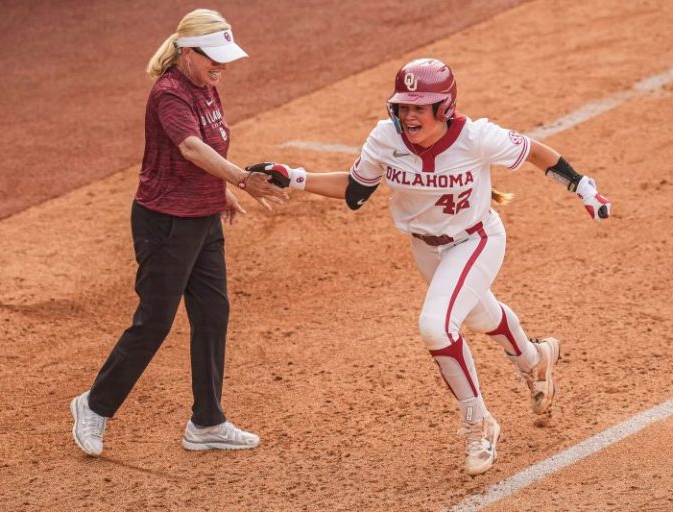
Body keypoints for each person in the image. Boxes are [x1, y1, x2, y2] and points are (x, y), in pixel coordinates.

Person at [246, 58, 611, 476]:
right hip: (426, 248)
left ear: (444, 108)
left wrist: (583, 187)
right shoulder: (385, 139)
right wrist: (294, 176)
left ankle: (479, 422)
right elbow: (354, 191)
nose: (408, 115)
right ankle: (535, 359)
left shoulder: (476, 137)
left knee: (436, 326)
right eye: (403, 106)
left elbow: (536, 153)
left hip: (476, 240)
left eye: (420, 107)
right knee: (478, 313)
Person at [70, 8, 288, 457]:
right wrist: (240, 180)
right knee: (154, 321)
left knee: (212, 313)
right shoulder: (169, 93)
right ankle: (93, 405)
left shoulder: (206, 86)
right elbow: (190, 147)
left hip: (201, 217)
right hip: (165, 222)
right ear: (187, 52)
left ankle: (207, 422)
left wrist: (219, 191)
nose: (221, 66)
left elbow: (209, 145)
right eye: (213, 57)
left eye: (225, 57)